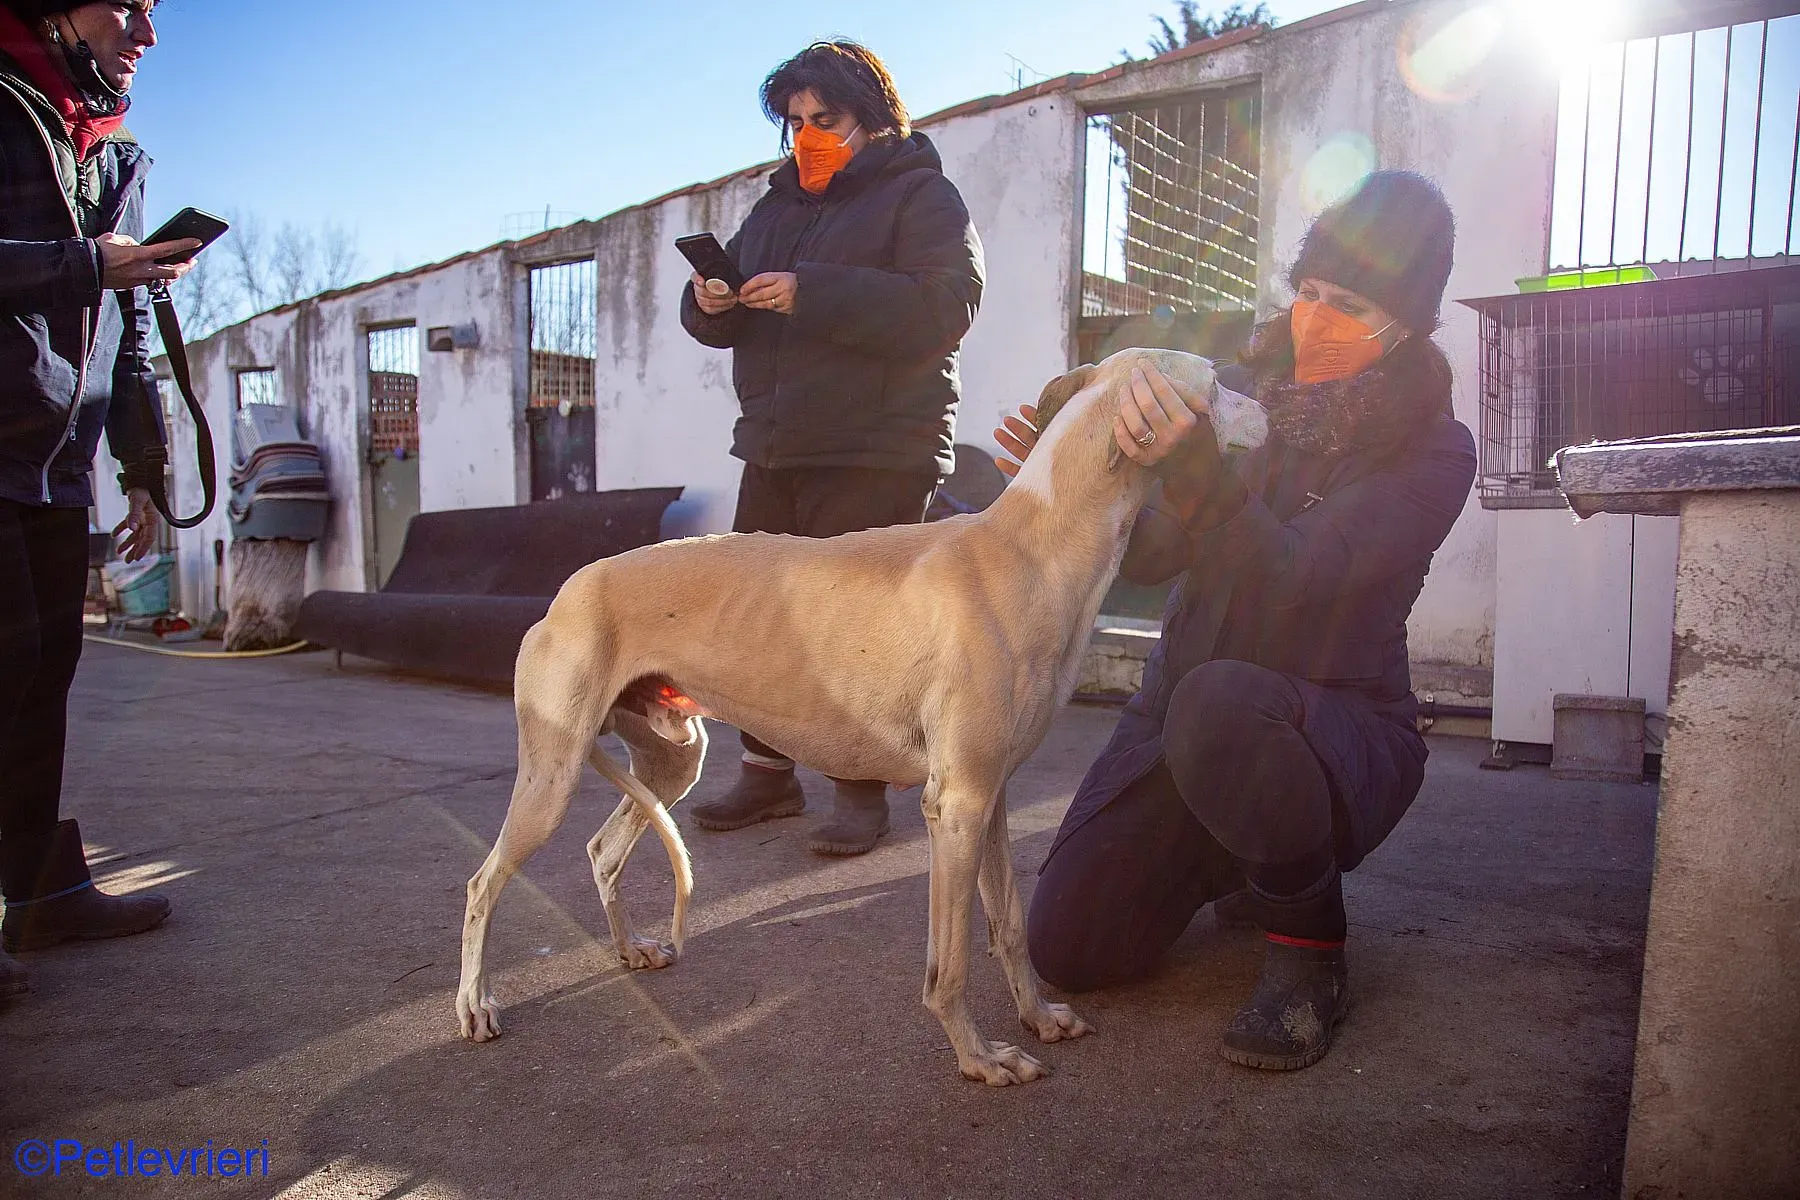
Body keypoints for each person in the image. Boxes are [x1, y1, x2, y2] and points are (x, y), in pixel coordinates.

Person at [1001, 171, 1477, 1070]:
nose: (1317, 318)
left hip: (1331, 733)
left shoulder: (1434, 450)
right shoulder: (1232, 394)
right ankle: (1242, 854)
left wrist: (1193, 470)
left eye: (1351, 303)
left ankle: (1309, 954)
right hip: (1181, 715)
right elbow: (1154, 554)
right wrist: (1068, 481)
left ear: (1406, 325)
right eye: (1309, 292)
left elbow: (1296, 573)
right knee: (1073, 948)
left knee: (1223, 705)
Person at [679, 40, 984, 857]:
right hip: (778, 443)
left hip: (877, 445)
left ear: (875, 118)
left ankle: (860, 787)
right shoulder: (777, 206)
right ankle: (768, 773)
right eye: (796, 122)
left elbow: (948, 305)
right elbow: (728, 315)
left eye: (828, 119)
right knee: (765, 617)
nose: (809, 134)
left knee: (855, 627)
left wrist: (814, 292)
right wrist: (712, 299)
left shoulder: (923, 194)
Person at [1, 0, 200, 1004]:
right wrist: (88, 261)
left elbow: (127, 329)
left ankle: (40, 894)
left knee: (40, 677)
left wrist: (145, 468)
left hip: (49, 461)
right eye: (126, 4)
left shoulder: (105, 150)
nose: (148, 33)